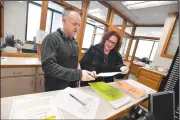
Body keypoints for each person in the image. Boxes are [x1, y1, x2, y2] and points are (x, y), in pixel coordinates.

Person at [41, 7, 96, 91]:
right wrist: (77, 74)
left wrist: (83, 73)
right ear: (64, 21)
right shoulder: (51, 39)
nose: (77, 28)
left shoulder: (75, 43)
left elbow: (73, 67)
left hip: (72, 88)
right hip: (55, 89)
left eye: (79, 25)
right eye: (74, 24)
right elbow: (48, 66)